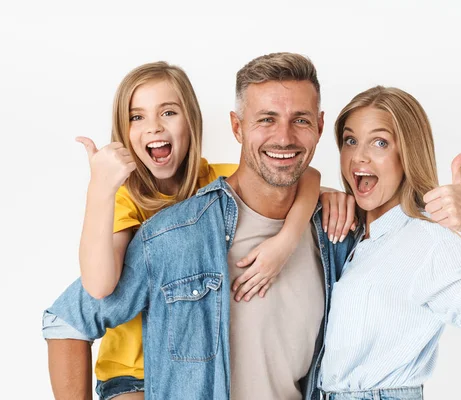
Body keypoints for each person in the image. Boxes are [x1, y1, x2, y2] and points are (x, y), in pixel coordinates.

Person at [43, 52, 356, 400]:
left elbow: (296, 176)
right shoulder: (159, 225)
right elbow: (83, 304)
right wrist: (100, 188)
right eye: (266, 119)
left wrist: (291, 235)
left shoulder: (332, 232)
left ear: (319, 125)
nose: (283, 137)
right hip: (132, 376)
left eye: (300, 120)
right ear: (236, 126)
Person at [315, 86, 461, 400]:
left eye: (380, 142)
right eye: (351, 140)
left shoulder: (429, 241)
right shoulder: (350, 232)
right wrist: (321, 191)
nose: (359, 157)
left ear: (409, 153)